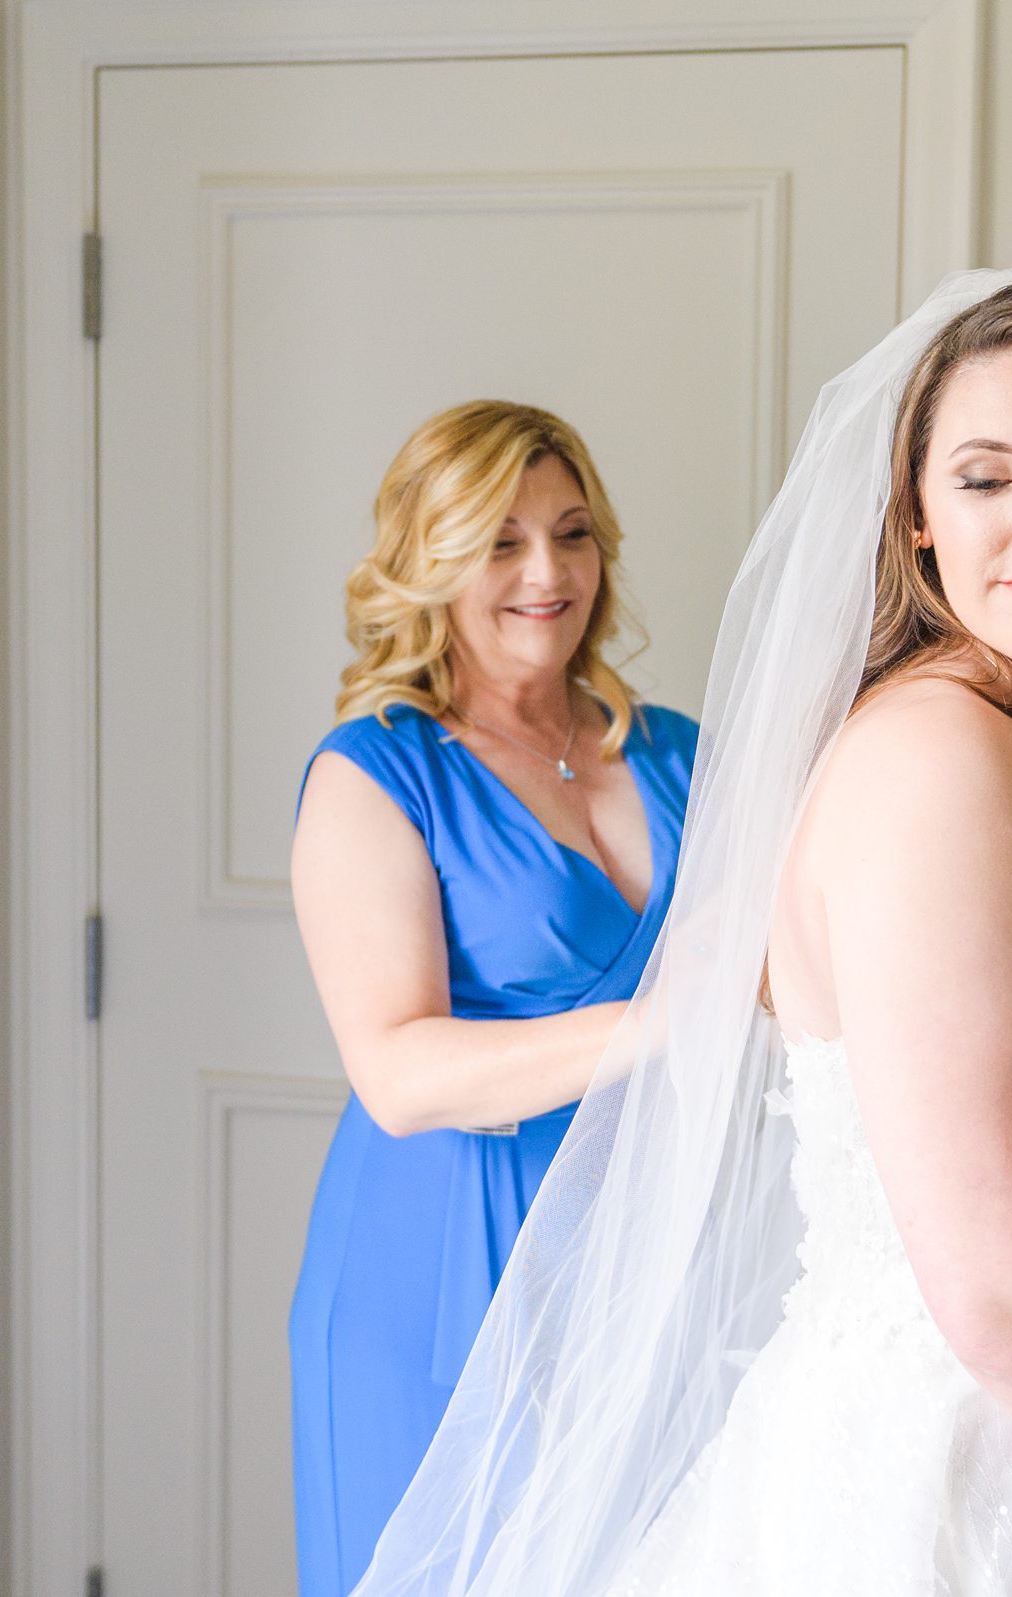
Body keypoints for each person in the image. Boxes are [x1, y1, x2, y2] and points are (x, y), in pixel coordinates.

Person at [347, 272, 1012, 1597]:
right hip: (1000, 1497)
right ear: (918, 522)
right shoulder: (937, 770)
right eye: (985, 478)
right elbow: (1005, 1301)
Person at [287, 400, 701, 1597]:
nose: (549, 573)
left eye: (574, 534)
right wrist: (662, 1026)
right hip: (443, 1270)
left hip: (638, 1263)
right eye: (502, 540)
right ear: (429, 560)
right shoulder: (377, 771)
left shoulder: (681, 753)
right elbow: (399, 1074)